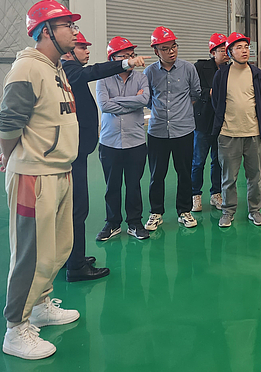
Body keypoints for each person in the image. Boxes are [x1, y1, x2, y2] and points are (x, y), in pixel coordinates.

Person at [0, 0, 82, 360]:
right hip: (35, 175)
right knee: (31, 254)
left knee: (58, 247)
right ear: (46, 31)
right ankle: (16, 328)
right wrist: (8, 154)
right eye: (67, 26)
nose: (74, 32)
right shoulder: (27, 68)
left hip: (60, 170)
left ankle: (41, 305)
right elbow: (8, 120)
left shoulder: (55, 67)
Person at [61, 33, 144, 279]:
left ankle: (73, 257)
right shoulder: (70, 70)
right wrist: (126, 64)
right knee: (77, 209)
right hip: (76, 149)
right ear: (68, 51)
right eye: (81, 47)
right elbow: (103, 97)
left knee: (77, 208)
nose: (87, 51)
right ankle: (75, 266)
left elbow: (144, 99)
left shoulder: (70, 71)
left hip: (82, 148)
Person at [143, 26, 202, 230]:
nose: (171, 51)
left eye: (174, 46)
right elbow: (147, 99)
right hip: (157, 131)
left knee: (184, 172)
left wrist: (180, 112)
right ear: (156, 51)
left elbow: (196, 93)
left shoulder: (188, 69)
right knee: (156, 174)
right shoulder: (149, 72)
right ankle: (156, 212)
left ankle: (184, 211)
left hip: (183, 130)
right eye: (165, 48)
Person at [95, 37, 151, 241]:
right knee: (112, 186)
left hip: (135, 142)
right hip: (109, 142)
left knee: (134, 185)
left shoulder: (141, 78)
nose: (131, 59)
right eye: (124, 56)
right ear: (112, 58)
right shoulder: (103, 79)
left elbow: (144, 100)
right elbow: (104, 106)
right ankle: (113, 223)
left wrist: (116, 101)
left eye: (132, 55)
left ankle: (135, 223)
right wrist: (132, 101)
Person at [210, 32, 261, 227]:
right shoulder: (222, 74)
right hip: (228, 134)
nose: (244, 51)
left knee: (255, 177)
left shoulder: (256, 73)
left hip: (253, 132)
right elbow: (216, 101)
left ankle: (255, 210)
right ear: (230, 52)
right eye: (239, 47)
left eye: (246, 47)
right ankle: (228, 211)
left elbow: (260, 99)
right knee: (229, 178)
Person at [191, 33, 229, 212]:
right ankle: (195, 195)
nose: (226, 53)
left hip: (222, 122)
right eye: (222, 50)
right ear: (213, 52)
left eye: (227, 50)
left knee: (218, 161)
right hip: (203, 121)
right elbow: (193, 89)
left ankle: (216, 193)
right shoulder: (200, 67)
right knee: (198, 161)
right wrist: (210, 92)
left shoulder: (230, 69)